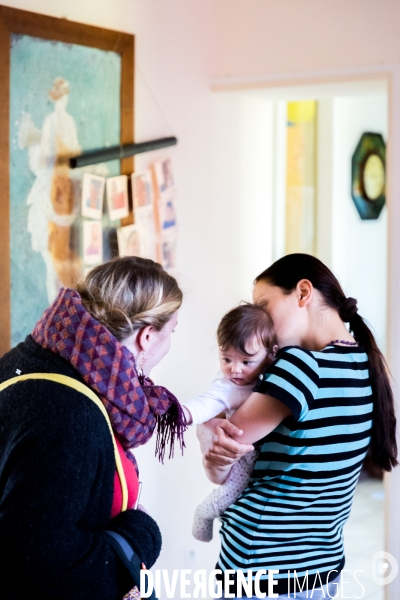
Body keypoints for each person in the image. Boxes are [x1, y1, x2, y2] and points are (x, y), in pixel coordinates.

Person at [198, 253, 397, 599]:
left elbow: (229, 444)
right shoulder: (365, 363)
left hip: (262, 562)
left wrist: (207, 423)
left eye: (264, 303)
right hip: (322, 565)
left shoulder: (298, 364)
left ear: (303, 293)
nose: (259, 318)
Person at [0, 256, 186, 600]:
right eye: (171, 331)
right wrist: (140, 535)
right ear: (147, 337)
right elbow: (42, 567)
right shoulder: (70, 414)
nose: (169, 342)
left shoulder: (26, 362)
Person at [181, 304, 277, 542]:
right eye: (226, 359)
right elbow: (206, 403)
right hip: (241, 455)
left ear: (271, 354)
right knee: (233, 492)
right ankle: (205, 512)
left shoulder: (272, 373)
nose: (234, 369)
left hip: (259, 452)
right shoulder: (228, 386)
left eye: (246, 362)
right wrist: (179, 413)